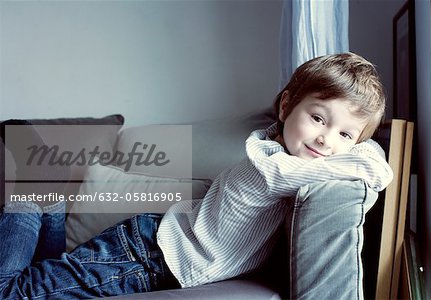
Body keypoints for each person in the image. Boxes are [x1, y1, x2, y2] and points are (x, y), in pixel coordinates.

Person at [0, 52, 393, 299]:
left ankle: (47, 209)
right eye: (318, 118)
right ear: (287, 105)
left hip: (150, 244)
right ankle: (27, 208)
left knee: (46, 279)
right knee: (13, 293)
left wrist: (355, 139)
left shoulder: (284, 150)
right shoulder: (270, 163)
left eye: (345, 134)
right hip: (145, 258)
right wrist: (359, 146)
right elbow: (376, 168)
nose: (326, 140)